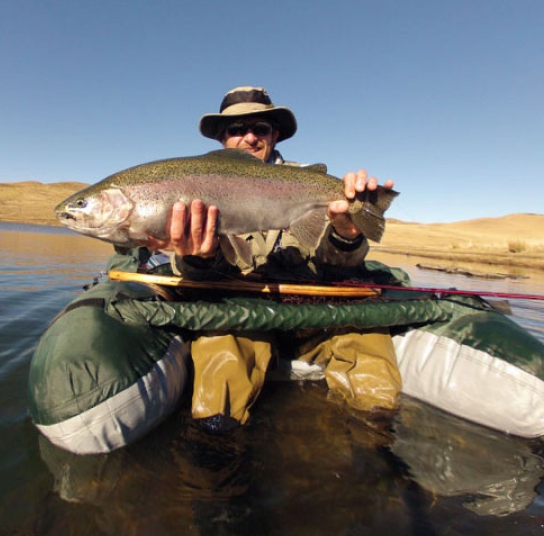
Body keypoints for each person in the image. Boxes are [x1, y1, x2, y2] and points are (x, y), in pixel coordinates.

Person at [149, 86, 403, 435]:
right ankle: (215, 455)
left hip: (314, 314)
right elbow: (195, 278)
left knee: (367, 335)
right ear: (223, 139)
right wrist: (201, 257)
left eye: (260, 129)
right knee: (221, 349)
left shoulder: (308, 182)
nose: (249, 137)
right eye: (237, 130)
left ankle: (381, 446)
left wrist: (348, 232)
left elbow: (338, 267)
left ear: (275, 135)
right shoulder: (197, 187)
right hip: (243, 315)